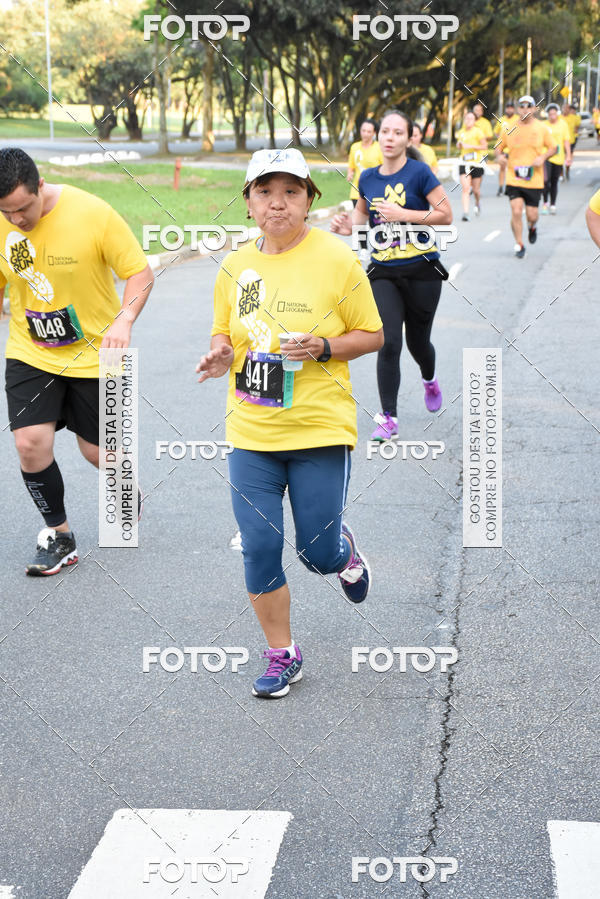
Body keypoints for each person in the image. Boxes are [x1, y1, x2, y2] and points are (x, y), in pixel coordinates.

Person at [197, 148, 383, 699]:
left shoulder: (337, 259)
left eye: (291, 192)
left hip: (319, 430)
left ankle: (343, 554)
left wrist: (325, 346)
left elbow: (371, 334)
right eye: (264, 192)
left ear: (309, 200)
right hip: (252, 431)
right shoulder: (235, 265)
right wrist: (219, 354)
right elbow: (224, 334)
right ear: (249, 200)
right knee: (259, 545)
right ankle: (282, 653)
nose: (277, 204)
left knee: (315, 553)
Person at [0, 148, 153, 575]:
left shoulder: (93, 213)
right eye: (6, 212)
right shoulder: (2, 223)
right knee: (29, 443)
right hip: (31, 352)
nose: (16, 221)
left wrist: (124, 322)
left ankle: (127, 487)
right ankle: (60, 536)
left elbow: (139, 273)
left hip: (97, 355)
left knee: (97, 452)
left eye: (23, 209)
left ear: (40, 186)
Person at [331, 109, 453, 441]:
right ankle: (389, 417)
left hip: (422, 271)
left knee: (418, 343)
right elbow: (360, 218)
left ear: (408, 138)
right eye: (385, 131)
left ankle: (429, 378)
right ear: (378, 135)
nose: (389, 138)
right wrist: (348, 229)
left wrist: (403, 214)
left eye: (397, 133)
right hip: (383, 271)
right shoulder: (368, 177)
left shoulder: (420, 173)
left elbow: (445, 214)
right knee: (388, 342)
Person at [495, 95, 557, 258]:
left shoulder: (541, 128)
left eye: (528, 106)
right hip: (513, 177)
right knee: (516, 211)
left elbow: (553, 148)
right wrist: (499, 157)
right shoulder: (509, 127)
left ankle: (532, 227)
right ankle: (519, 243)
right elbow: (498, 148)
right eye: (521, 106)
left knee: (532, 215)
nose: (525, 109)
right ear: (517, 109)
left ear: (534, 109)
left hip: (533, 179)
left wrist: (542, 158)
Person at [456, 111, 487, 220]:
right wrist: (459, 145)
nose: (468, 120)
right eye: (467, 118)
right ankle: (465, 213)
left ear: (474, 121)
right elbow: (460, 145)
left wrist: (470, 146)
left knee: (476, 190)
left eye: (471, 118)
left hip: (476, 163)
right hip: (464, 163)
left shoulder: (478, 132)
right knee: (466, 188)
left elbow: (484, 146)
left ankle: (477, 202)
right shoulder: (461, 132)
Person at [542, 104, 571, 214]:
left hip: (558, 157)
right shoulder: (543, 125)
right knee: (545, 181)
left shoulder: (563, 124)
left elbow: (566, 141)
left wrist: (568, 155)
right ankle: (545, 203)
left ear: (557, 114)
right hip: (546, 156)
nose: (552, 116)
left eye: (554, 113)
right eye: (550, 114)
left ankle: (553, 204)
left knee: (554, 182)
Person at [347, 118, 383, 206]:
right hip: (357, 192)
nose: (365, 134)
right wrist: (350, 174)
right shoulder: (354, 147)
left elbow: (385, 169)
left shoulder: (380, 148)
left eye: (369, 131)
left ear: (374, 133)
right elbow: (351, 166)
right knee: (358, 219)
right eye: (363, 130)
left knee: (373, 219)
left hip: (375, 192)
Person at [493, 101, 518, 195]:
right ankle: (500, 187)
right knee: (502, 168)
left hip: (514, 148)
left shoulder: (517, 119)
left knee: (512, 168)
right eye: (508, 108)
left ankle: (511, 186)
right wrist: (501, 139)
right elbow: (496, 132)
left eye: (511, 108)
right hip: (503, 149)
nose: (509, 109)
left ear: (514, 109)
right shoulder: (501, 119)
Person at [562, 104, 581, 179]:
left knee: (568, 158)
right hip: (560, 142)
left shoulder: (574, 118)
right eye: (564, 108)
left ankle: (567, 169)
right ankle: (561, 174)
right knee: (559, 158)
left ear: (569, 109)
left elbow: (577, 127)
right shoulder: (559, 118)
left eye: (567, 108)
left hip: (571, 141)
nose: (565, 110)